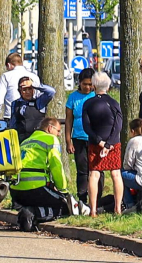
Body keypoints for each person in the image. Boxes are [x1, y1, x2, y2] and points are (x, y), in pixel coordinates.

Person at [11, 118, 89, 226]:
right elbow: (56, 165)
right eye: (58, 131)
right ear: (50, 128)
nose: (59, 134)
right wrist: (62, 189)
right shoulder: (50, 139)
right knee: (66, 207)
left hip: (16, 191)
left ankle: (27, 210)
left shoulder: (26, 141)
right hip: (35, 187)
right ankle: (33, 213)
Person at [82, 71, 124, 215]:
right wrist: (109, 143)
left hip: (95, 144)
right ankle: (118, 208)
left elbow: (87, 127)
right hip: (113, 144)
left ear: (93, 86)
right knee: (116, 174)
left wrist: (99, 141)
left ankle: (93, 210)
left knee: (93, 175)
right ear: (108, 86)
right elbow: (118, 125)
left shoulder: (88, 103)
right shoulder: (114, 103)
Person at [64, 68, 100, 204]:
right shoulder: (73, 97)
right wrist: (68, 141)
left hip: (95, 139)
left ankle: (97, 197)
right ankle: (82, 198)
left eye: (90, 84)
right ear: (79, 83)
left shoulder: (96, 95)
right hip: (78, 138)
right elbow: (69, 120)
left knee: (96, 169)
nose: (88, 87)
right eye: (85, 84)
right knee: (82, 170)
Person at [0, 52, 40, 119]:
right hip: (31, 117)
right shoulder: (34, 77)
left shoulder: (6, 76)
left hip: (11, 116)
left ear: (9, 65)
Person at [9, 77, 55, 142]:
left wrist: (35, 85)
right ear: (19, 91)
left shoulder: (39, 101)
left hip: (37, 138)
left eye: (30, 89)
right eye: (24, 89)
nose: (27, 92)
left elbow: (51, 92)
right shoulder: (15, 103)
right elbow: (13, 122)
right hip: (21, 139)